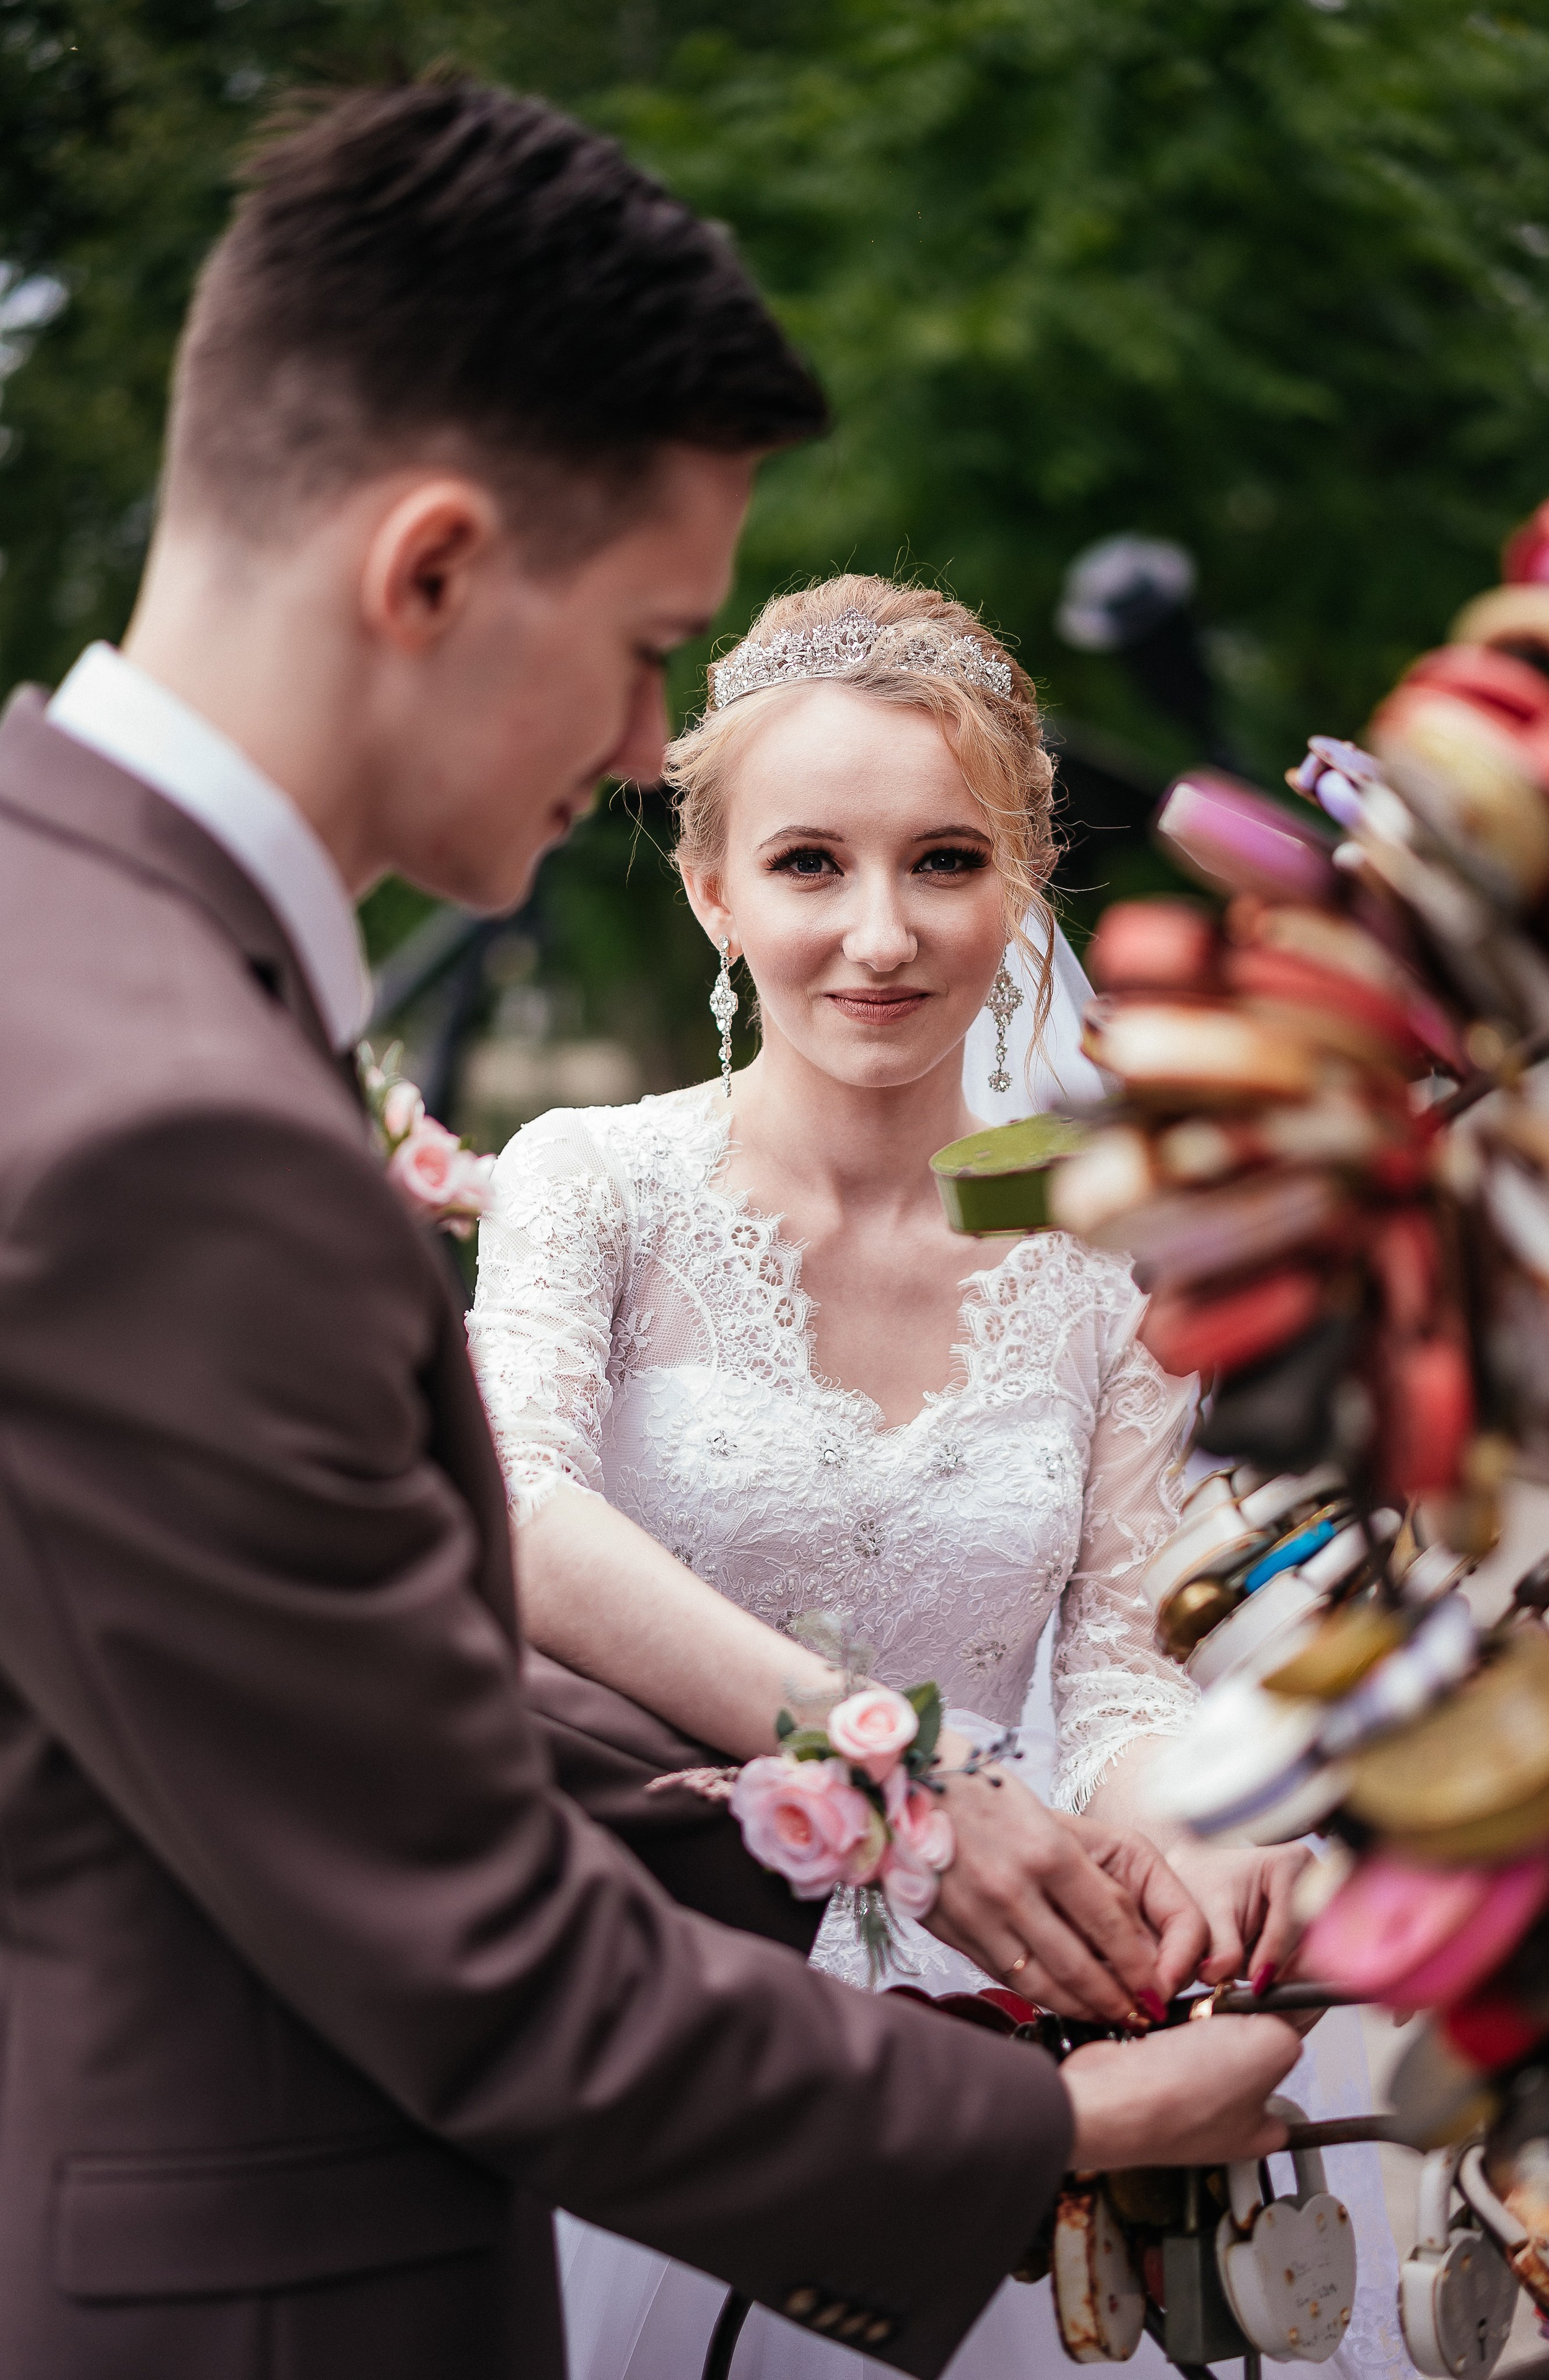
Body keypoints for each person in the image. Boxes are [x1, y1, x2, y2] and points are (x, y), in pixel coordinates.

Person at [0, 74, 1301, 2380]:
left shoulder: (77, 959)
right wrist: (1059, 2120)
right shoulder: (166, 1122)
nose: (635, 747)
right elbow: (472, 1937)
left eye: (943, 864)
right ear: (427, 569)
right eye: (642, 649)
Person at [467, 575, 1315, 2379]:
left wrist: (1176, 1840)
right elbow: (519, 1524)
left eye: (945, 861)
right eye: (807, 866)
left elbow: (1115, 1651)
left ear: (1022, 884)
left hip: (1017, 1992)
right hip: (668, 1991)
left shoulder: (1113, 1251)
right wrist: (906, 1785)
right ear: (710, 889)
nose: (881, 935)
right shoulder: (588, 1183)